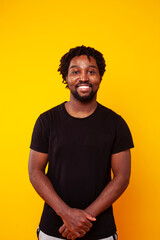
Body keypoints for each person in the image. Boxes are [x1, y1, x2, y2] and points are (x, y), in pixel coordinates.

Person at [28, 45, 134, 240]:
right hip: (54, 229)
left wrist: (84, 218)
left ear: (100, 77)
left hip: (100, 230)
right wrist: (66, 213)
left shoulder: (116, 123)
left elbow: (122, 177)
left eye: (91, 71)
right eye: (75, 71)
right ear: (66, 78)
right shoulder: (47, 121)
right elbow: (35, 172)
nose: (83, 77)